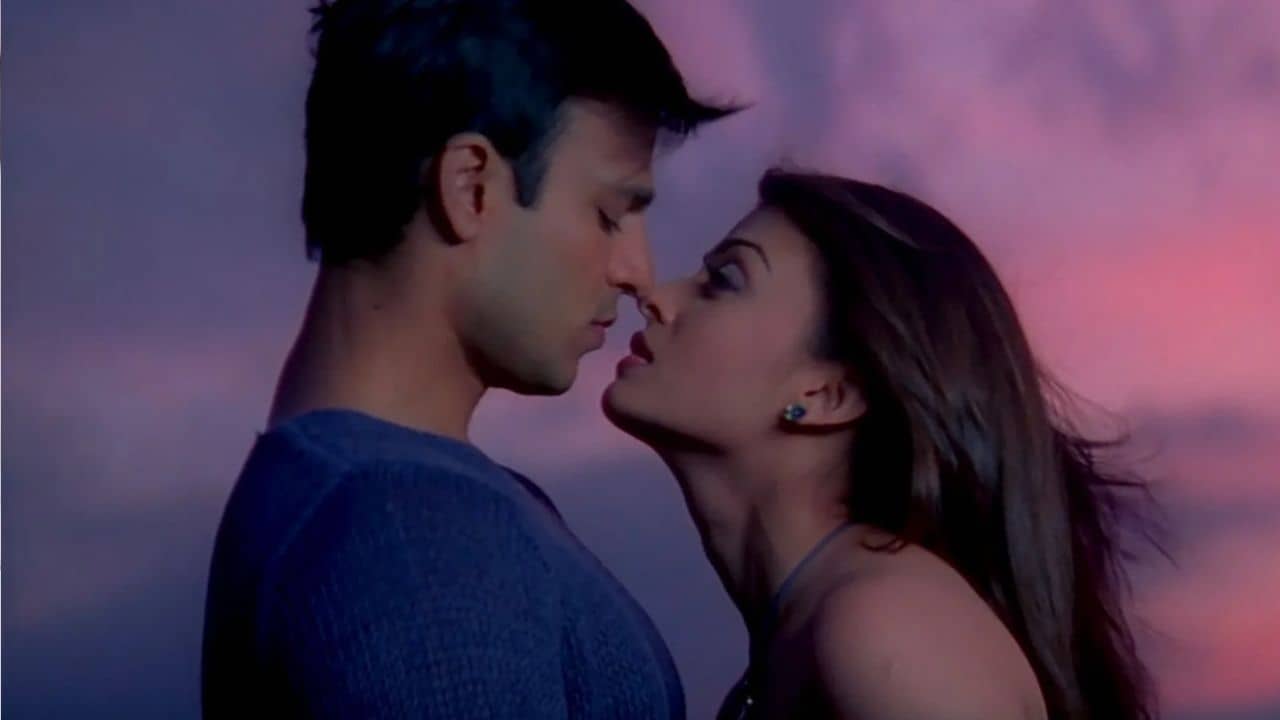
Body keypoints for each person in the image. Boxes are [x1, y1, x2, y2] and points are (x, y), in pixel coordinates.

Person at [200, 0, 737, 716]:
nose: (637, 272)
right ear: (470, 188)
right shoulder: (410, 529)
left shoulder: (362, 497)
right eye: (608, 214)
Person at [604, 168, 1159, 720]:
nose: (657, 296)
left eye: (724, 279)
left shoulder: (882, 627)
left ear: (828, 394)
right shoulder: (819, 631)